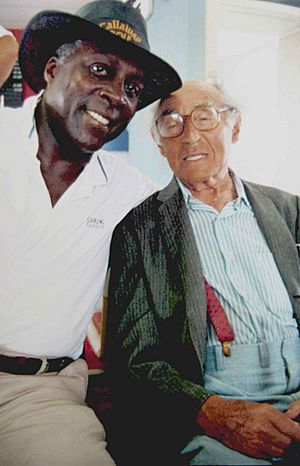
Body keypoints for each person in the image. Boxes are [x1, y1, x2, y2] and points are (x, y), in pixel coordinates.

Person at [0, 1, 181, 465]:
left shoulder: (131, 194)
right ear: (52, 69)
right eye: (99, 70)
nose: (117, 97)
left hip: (35, 393)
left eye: (133, 88)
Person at [103, 80, 300, 466]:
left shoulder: (289, 211)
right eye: (171, 122)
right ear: (159, 143)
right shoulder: (139, 230)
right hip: (213, 416)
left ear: (235, 128)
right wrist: (214, 412)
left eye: (205, 117)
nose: (189, 135)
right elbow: (134, 361)